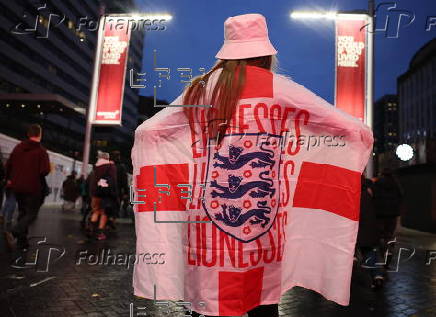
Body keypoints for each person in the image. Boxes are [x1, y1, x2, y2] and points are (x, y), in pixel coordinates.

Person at [132, 13, 373, 317]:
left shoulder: (201, 88)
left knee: (210, 304)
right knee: (262, 303)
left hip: (207, 228)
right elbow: (348, 128)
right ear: (264, 53)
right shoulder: (279, 87)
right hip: (263, 225)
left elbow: (149, 132)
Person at [4, 124, 51, 252]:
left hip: (17, 186)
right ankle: (14, 231)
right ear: (40, 135)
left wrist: (9, 179)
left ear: (28, 134)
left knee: (23, 212)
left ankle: (22, 242)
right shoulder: (41, 151)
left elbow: (8, 165)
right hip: (33, 187)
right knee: (31, 214)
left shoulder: (18, 148)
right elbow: (45, 171)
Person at [356, 175, 384, 289]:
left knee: (363, 252)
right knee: (371, 252)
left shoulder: (353, 194)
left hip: (358, 230)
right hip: (371, 228)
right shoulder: (369, 191)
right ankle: (377, 276)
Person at [373, 167, 404, 268]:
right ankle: (389, 254)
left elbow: (373, 196)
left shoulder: (377, 183)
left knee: (380, 235)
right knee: (389, 235)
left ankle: (382, 253)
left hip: (380, 215)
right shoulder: (395, 183)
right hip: (392, 215)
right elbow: (401, 196)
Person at [88, 151, 118, 241]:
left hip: (95, 193)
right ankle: (100, 233)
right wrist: (115, 194)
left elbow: (93, 181)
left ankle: (91, 229)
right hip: (106, 194)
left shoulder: (96, 167)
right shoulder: (111, 166)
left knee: (96, 211)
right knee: (104, 213)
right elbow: (113, 181)